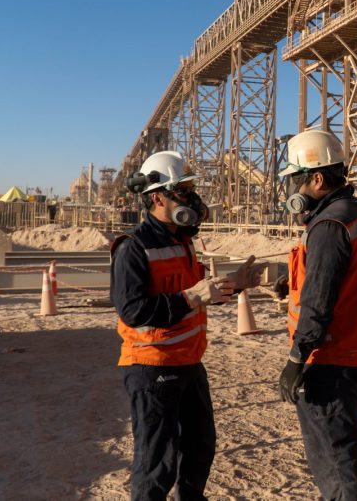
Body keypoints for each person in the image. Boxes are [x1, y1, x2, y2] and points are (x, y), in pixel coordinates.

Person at [110, 150, 231, 501]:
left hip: (189, 362)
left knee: (200, 447)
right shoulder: (133, 248)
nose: (192, 199)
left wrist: (234, 284)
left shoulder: (181, 241)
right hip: (152, 367)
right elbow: (132, 310)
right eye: (183, 191)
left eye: (191, 189)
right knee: (156, 463)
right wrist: (191, 297)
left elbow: (194, 292)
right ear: (158, 196)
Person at [276, 130, 357, 500]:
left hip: (330, 359)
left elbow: (319, 303)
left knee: (335, 456)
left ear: (317, 179)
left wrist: (295, 359)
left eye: (295, 179)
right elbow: (338, 279)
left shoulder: (328, 225)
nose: (291, 188)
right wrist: (290, 284)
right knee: (345, 448)